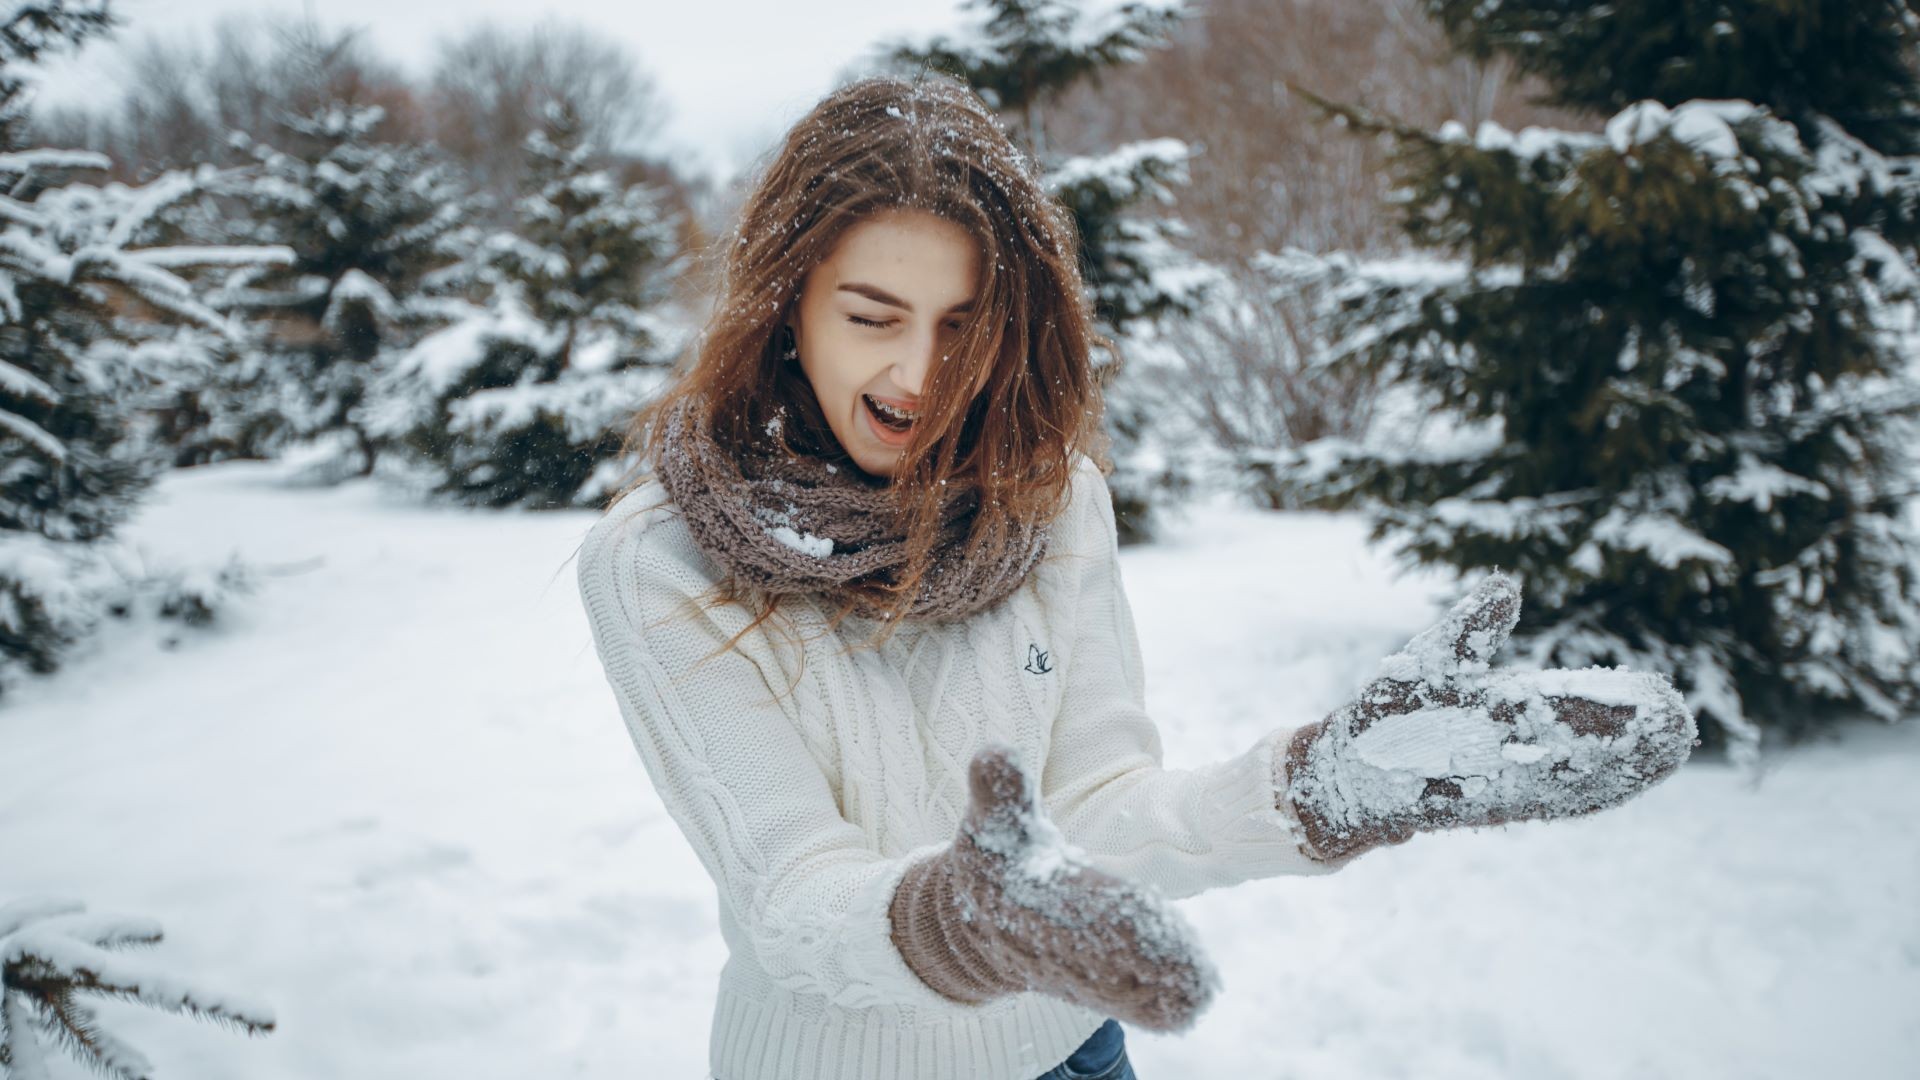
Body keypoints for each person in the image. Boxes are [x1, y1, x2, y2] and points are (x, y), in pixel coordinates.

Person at [574, 72, 1698, 1080]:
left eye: (964, 326)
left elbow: (1103, 804)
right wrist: (960, 920)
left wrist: (1316, 790)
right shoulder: (663, 558)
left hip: (1071, 1052)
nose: (919, 374)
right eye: (872, 316)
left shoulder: (1048, 498)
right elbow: (791, 897)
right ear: (788, 304)